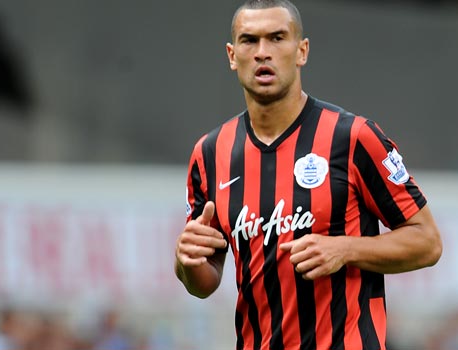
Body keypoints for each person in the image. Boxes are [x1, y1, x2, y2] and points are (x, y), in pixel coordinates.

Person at [174, 1, 443, 349]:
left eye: (277, 38)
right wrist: (185, 262)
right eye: (249, 41)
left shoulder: (354, 138)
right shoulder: (209, 154)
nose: (262, 53)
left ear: (302, 51)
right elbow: (204, 283)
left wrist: (344, 249)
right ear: (231, 55)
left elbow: (427, 242)